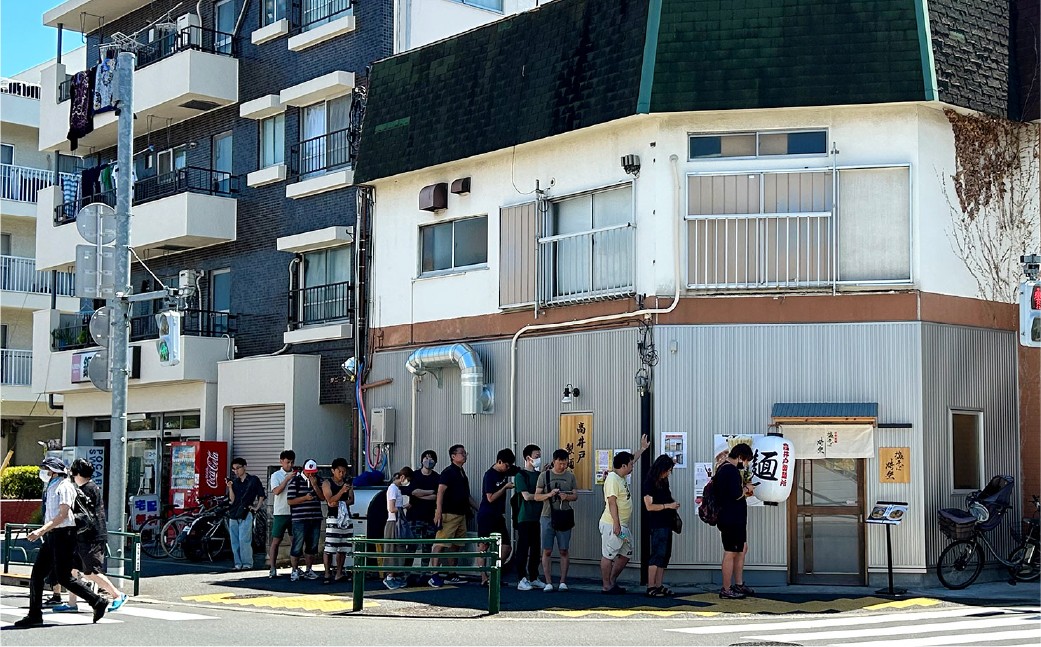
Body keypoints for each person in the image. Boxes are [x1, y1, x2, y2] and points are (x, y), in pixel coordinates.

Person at [13, 458, 109, 628]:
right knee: (38, 575)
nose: (44, 472)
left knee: (64, 577)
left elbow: (63, 514)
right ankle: (34, 614)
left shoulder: (64, 486)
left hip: (64, 534)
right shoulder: (52, 485)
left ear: (55, 471)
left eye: (46, 469)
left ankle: (97, 600)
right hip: (54, 534)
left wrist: (41, 530)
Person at [58, 459, 129, 614]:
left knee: (91, 571)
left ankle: (118, 595)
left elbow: (80, 514)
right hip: (85, 535)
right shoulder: (89, 487)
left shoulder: (85, 489)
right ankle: (72, 602)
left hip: (91, 536)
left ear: (75, 473)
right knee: (73, 568)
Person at [599, 434, 650, 594]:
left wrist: (642, 449)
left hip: (622, 526)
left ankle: (612, 581)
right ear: (623, 466)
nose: (632, 467)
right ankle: (606, 585)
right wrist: (616, 524)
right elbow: (612, 502)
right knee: (609, 554)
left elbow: (631, 459)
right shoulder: (613, 479)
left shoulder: (620, 476)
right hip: (612, 524)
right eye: (629, 465)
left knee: (626, 551)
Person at [429, 444, 480, 588]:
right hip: (448, 514)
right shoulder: (448, 472)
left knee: (456, 545)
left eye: (465, 453)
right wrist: (438, 511)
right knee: (440, 543)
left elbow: (466, 495)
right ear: (453, 456)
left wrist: (478, 509)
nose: (464, 455)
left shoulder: (462, 473)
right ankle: (434, 574)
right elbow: (440, 492)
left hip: (461, 514)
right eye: (461, 453)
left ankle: (452, 573)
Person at [716, 443, 756, 599]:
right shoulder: (729, 471)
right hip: (730, 519)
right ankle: (726, 589)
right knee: (730, 552)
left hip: (735, 518)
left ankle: (738, 584)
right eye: (745, 461)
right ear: (740, 457)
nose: (745, 464)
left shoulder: (724, 469)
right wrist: (747, 488)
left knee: (741, 549)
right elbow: (735, 494)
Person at [535, 449, 577, 592]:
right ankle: (548, 582)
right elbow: (536, 496)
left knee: (563, 549)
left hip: (564, 515)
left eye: (565, 464)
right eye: (560, 463)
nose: (563, 466)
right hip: (547, 515)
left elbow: (575, 495)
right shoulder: (544, 476)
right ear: (554, 461)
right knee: (547, 549)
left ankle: (563, 581)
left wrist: (567, 497)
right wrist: (549, 494)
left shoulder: (570, 476)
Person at [475, 448, 516, 587]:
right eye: (506, 465)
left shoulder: (506, 470)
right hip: (486, 514)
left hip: (498, 515)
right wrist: (505, 487)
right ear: (499, 461)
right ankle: (483, 577)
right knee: (483, 546)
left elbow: (520, 470)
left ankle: (494, 573)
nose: (508, 469)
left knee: (506, 547)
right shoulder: (489, 475)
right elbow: (490, 498)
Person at [642, 454, 680, 597]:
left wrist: (672, 505)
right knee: (657, 555)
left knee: (665, 555)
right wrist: (668, 505)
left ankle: (659, 585)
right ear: (661, 469)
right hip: (657, 524)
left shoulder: (663, 481)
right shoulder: (650, 483)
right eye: (668, 470)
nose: (668, 473)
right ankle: (651, 586)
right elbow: (649, 506)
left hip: (666, 522)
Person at [401, 449, 439, 581]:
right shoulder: (415, 475)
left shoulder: (436, 477)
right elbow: (413, 492)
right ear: (422, 460)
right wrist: (429, 493)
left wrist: (421, 495)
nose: (428, 461)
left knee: (427, 546)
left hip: (429, 517)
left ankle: (424, 574)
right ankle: (406, 573)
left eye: (431, 458)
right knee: (411, 545)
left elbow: (436, 497)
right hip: (414, 516)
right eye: (426, 458)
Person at [513, 445, 545, 591]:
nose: (538, 458)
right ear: (528, 458)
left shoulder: (540, 475)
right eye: (536, 456)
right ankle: (521, 578)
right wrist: (542, 496)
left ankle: (533, 577)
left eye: (539, 456)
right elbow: (526, 496)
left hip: (537, 517)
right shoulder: (521, 476)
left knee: (536, 549)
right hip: (524, 517)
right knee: (523, 548)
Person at [287, 459, 324, 581]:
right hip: (299, 518)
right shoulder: (295, 481)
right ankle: (294, 570)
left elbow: (322, 497)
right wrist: (305, 498)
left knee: (312, 546)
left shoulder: (319, 480)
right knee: (297, 546)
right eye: (309, 473)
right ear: (304, 470)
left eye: (313, 473)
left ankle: (309, 569)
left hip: (315, 517)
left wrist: (314, 485)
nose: (311, 475)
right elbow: (290, 501)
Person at [226, 457, 265, 571]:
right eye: (234, 469)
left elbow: (261, 495)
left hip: (246, 512)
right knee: (234, 540)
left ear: (244, 467)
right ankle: (238, 563)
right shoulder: (235, 482)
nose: (236, 471)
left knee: (244, 539)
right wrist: (230, 487)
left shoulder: (253, 480)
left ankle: (247, 563)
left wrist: (257, 507)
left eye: (238, 468)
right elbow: (232, 500)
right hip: (233, 512)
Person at [321, 457, 354, 584]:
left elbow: (352, 499)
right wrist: (341, 492)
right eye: (339, 471)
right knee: (330, 547)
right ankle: (327, 573)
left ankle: (339, 572)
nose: (342, 474)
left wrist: (340, 502)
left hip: (346, 517)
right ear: (333, 471)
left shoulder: (348, 483)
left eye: (344, 472)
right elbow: (330, 501)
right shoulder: (327, 483)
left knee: (343, 547)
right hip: (333, 518)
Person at [383, 467, 413, 589]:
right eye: (407, 479)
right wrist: (405, 506)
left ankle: (394, 576)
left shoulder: (397, 489)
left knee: (399, 549)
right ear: (402, 477)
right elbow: (392, 508)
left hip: (397, 522)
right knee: (392, 549)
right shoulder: (393, 489)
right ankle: (389, 577)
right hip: (393, 522)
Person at [268, 449, 295, 578]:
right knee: (276, 540)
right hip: (280, 512)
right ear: (281, 462)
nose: (290, 465)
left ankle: (295, 568)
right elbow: (276, 491)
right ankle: (272, 567)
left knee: (295, 540)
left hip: (294, 511)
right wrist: (286, 479)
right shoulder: (276, 475)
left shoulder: (296, 475)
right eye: (287, 462)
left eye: (291, 462)